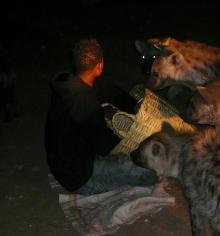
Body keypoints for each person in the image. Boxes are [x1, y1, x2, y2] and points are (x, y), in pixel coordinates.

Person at [45, 38, 158, 195]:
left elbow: (110, 92)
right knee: (146, 169)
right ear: (100, 65)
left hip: (67, 161)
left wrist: (134, 104)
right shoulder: (84, 102)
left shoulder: (71, 84)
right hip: (80, 176)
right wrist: (133, 139)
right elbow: (107, 147)